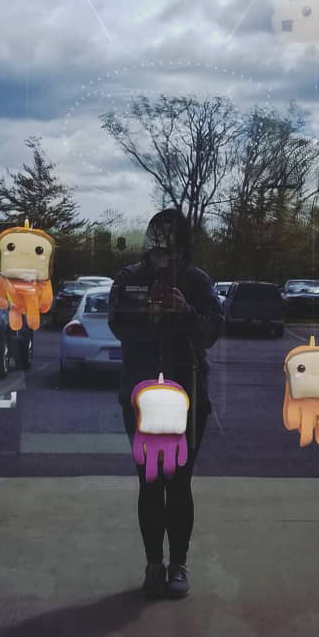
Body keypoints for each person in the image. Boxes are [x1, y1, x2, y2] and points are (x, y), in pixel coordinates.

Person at [109, 209, 222, 599]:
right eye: (158, 245)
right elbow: (117, 326)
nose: (165, 257)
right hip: (141, 395)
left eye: (173, 249)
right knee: (150, 481)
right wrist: (148, 314)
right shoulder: (128, 279)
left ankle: (178, 563)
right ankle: (154, 563)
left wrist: (185, 311)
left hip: (188, 394)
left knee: (179, 482)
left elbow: (211, 333)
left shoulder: (197, 281)